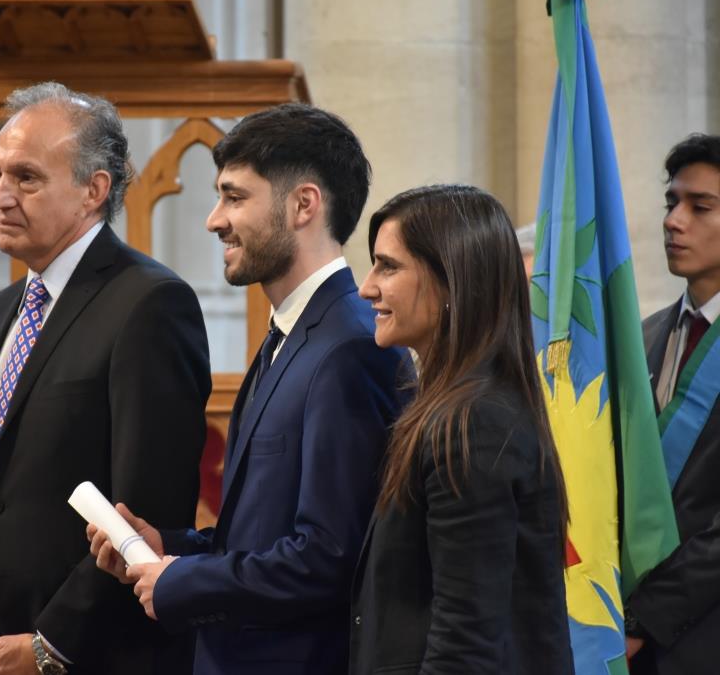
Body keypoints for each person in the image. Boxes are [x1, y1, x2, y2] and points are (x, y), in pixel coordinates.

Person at [88, 103, 410, 675]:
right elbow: (262, 536)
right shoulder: (293, 335)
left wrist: (183, 582)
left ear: (303, 204)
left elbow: (329, 557)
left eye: (235, 197)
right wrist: (168, 548)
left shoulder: (348, 347)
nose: (215, 220)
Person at [0, 82, 212, 675]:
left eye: (26, 178)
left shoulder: (150, 303)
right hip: (2, 646)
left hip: (101, 654)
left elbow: (144, 511)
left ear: (94, 190)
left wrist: (50, 647)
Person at [350, 184, 573, 674]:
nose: (367, 287)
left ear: (451, 282)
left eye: (388, 266)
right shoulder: (456, 407)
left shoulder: (473, 424)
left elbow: (465, 644)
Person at [626, 133, 720, 675]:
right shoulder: (643, 337)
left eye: (699, 206)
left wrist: (645, 617)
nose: (673, 221)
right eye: (671, 202)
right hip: (628, 634)